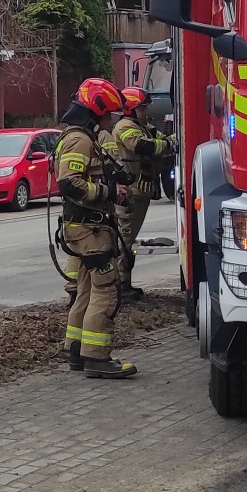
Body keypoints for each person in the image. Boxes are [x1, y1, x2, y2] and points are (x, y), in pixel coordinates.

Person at [57, 77, 136, 379]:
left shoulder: (80, 136)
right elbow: (69, 183)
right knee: (106, 290)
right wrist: (110, 193)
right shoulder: (80, 140)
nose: (109, 120)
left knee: (87, 291)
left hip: (84, 228)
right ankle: (97, 358)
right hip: (89, 230)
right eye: (107, 114)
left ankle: (76, 351)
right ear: (96, 111)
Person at [112, 87, 173, 301]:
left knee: (127, 239)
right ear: (130, 109)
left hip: (139, 190)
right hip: (131, 192)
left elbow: (159, 138)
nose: (145, 111)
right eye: (142, 107)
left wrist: (172, 139)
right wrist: (166, 144)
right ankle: (120, 286)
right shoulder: (125, 126)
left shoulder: (140, 125)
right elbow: (142, 146)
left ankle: (123, 284)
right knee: (124, 240)